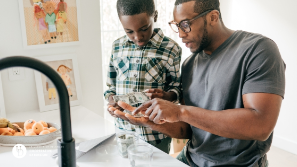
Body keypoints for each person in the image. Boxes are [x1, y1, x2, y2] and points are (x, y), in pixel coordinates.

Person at [110, 0, 286, 166]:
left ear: (213, 17)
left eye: (185, 24)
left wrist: (180, 111)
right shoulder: (189, 65)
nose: (180, 34)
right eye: (177, 26)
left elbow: (260, 126)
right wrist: (149, 121)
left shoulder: (258, 50)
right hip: (191, 158)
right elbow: (187, 129)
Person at [104, 0, 182, 154]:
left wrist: (167, 95)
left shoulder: (171, 49)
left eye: (144, 29)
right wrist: (112, 101)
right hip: (123, 132)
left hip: (156, 135)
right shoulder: (117, 47)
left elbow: (178, 88)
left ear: (155, 16)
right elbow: (110, 87)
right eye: (129, 31)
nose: (138, 37)